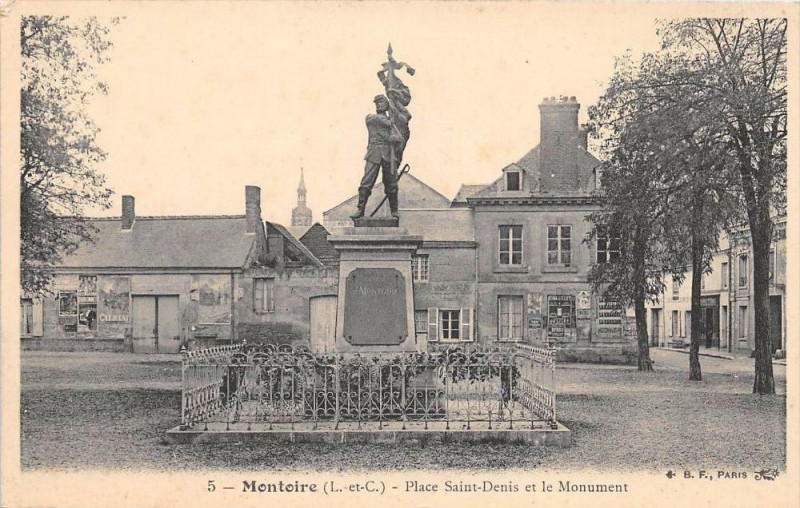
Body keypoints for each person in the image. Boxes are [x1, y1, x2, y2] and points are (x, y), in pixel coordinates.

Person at [350, 94, 400, 220]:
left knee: (391, 184)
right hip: (374, 152)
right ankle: (360, 209)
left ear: (386, 105)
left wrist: (395, 138)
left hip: (388, 154)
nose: (378, 104)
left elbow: (399, 137)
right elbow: (381, 121)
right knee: (366, 182)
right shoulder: (371, 118)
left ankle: (394, 210)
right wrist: (392, 119)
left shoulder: (391, 123)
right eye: (377, 103)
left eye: (381, 102)